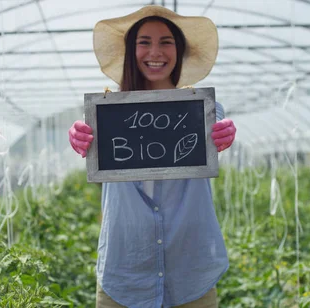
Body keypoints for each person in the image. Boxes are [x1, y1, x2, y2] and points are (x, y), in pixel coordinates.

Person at [68, 6, 236, 308]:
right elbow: (85, 136)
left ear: (179, 50)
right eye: (144, 42)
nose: (154, 51)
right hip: (125, 275)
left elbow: (217, 127)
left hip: (190, 274)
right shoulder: (106, 114)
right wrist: (79, 135)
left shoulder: (203, 110)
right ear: (131, 50)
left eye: (166, 41)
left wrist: (223, 132)